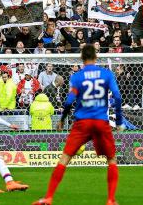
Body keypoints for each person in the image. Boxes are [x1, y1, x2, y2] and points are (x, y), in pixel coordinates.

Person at [33, 44, 123, 205]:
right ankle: (110, 200)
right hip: (101, 122)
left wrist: (61, 120)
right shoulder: (106, 74)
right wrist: (119, 120)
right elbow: (117, 97)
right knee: (111, 159)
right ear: (96, 57)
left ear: (82, 58)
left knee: (65, 158)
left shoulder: (77, 77)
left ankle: (48, 197)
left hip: (82, 122)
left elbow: (68, 101)